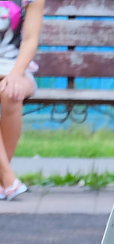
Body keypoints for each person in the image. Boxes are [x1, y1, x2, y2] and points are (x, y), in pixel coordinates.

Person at [0, 0, 43, 200]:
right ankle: (7, 179)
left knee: (12, 94)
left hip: (15, 68)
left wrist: (16, 74)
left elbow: (30, 40)